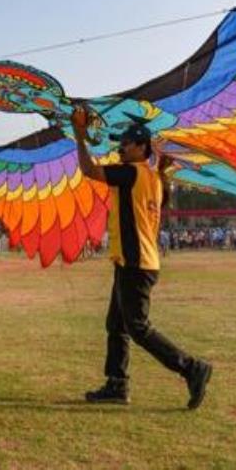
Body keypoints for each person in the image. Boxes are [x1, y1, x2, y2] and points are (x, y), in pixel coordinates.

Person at [71, 109, 212, 409]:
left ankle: (192, 368)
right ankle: (116, 384)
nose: (119, 147)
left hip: (135, 264)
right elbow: (161, 199)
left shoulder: (131, 172)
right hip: (135, 262)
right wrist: (160, 169)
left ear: (140, 147)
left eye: (124, 142)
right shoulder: (153, 177)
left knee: (137, 327)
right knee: (117, 324)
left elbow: (89, 171)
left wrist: (79, 136)